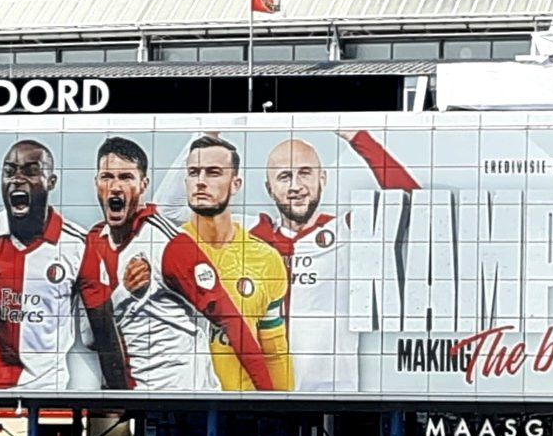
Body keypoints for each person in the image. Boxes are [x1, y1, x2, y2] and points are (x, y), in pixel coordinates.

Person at [152, 129, 418, 391]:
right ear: (269, 188)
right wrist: (210, 131)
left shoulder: (348, 232)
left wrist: (358, 137)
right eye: (284, 176)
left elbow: (420, 206)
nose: (295, 186)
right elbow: (167, 211)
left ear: (322, 178)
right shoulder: (245, 232)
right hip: (257, 392)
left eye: (305, 173)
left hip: (328, 395)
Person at [78, 135, 282, 391]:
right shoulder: (93, 243)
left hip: (184, 403)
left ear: (143, 184)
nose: (115, 187)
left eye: (126, 177)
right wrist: (124, 293)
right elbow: (89, 336)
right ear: (96, 182)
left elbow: (232, 321)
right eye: (107, 177)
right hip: (134, 402)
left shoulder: (171, 247)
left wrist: (269, 397)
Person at [0, 139, 98, 390]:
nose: (17, 179)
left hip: (50, 388)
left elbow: (99, 324)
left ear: (51, 181)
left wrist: (118, 397)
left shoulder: (77, 243)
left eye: (30, 171)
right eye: (9, 171)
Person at [169, 134, 293, 390]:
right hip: (180, 407)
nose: (201, 182)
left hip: (245, 405)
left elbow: (275, 348)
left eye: (213, 173)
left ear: (235, 184)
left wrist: (282, 407)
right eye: (194, 173)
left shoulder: (266, 258)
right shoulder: (165, 249)